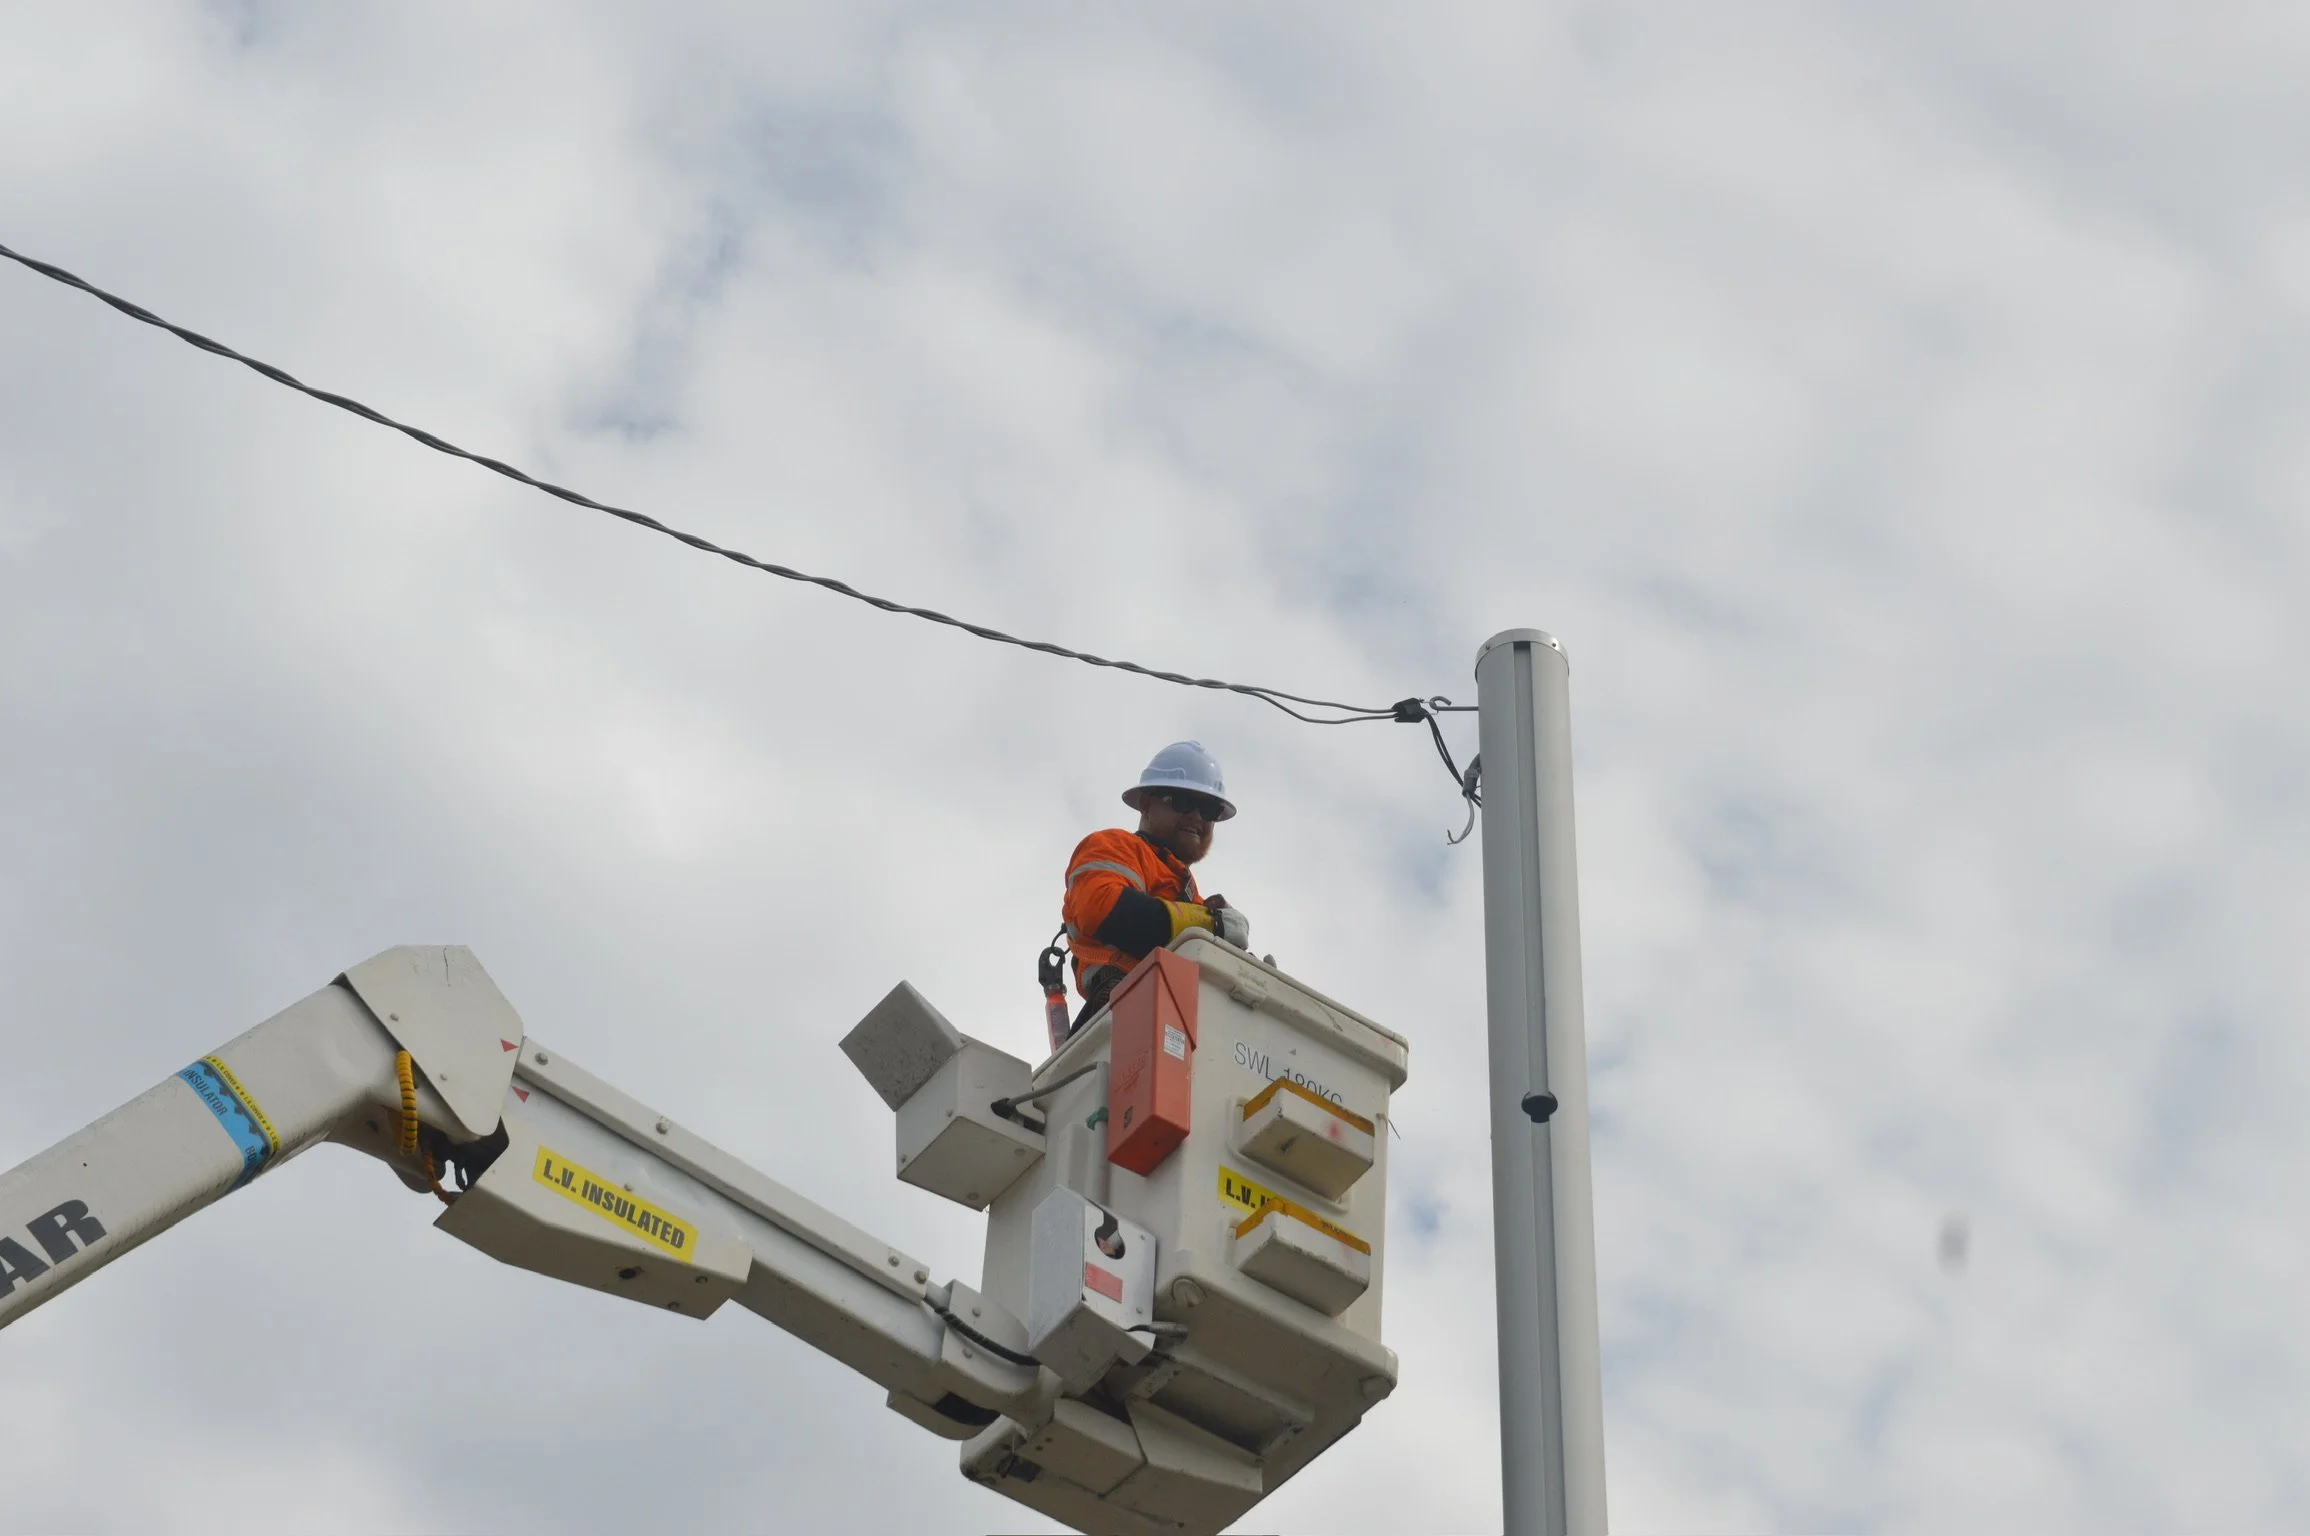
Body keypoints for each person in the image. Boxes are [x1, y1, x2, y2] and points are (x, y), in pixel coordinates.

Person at [1060, 741, 1252, 1032]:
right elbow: (1106, 910)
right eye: (1182, 802)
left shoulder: (1191, 897)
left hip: (1179, 1023)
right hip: (1119, 1014)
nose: (1197, 816)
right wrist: (1211, 926)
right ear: (1147, 804)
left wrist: (1247, 973)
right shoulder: (1114, 846)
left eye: (1209, 808)